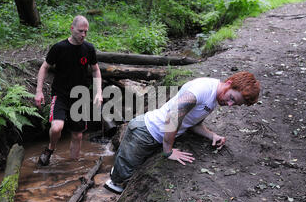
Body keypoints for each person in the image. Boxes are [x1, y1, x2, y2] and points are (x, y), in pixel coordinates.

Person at [104, 71, 260, 194]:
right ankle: (114, 177)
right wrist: (168, 151)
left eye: (235, 104)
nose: (230, 104)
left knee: (133, 164)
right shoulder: (201, 91)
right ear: (229, 83)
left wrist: (212, 135)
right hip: (145, 131)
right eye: (231, 98)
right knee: (120, 177)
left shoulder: (216, 97)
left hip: (157, 133)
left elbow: (192, 123)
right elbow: (173, 117)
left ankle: (121, 165)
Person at [35, 15, 103, 165]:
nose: (83, 35)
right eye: (80, 31)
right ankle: (50, 149)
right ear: (72, 29)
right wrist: (39, 91)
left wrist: (99, 92)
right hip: (60, 94)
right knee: (57, 127)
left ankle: (73, 166)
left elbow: (96, 70)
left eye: (86, 32)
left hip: (80, 96)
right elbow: (44, 67)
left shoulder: (89, 48)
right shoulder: (59, 47)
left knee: (78, 135)